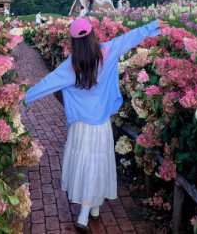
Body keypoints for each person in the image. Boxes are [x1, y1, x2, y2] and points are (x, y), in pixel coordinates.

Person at [21, 17, 168, 233]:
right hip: (101, 124)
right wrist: (152, 25)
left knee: (84, 163)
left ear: (74, 41)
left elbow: (47, 83)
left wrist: (23, 100)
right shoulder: (107, 51)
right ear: (92, 36)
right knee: (97, 164)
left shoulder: (71, 64)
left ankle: (89, 210)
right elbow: (131, 37)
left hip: (80, 125)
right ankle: (89, 210)